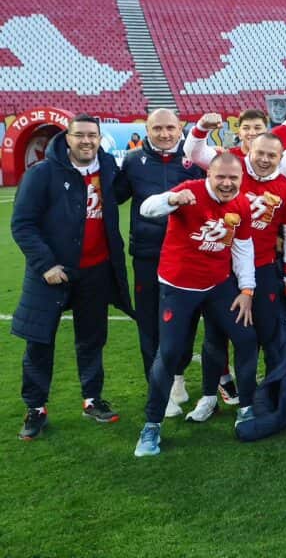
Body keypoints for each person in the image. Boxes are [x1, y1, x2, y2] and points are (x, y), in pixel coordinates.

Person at [13, 115, 133, 439]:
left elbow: (124, 192)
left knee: (92, 339)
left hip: (96, 271)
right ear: (67, 138)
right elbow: (23, 224)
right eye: (79, 135)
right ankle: (36, 407)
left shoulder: (107, 168)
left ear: (99, 138)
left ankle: (92, 399)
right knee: (39, 341)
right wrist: (46, 265)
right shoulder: (42, 173)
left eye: (92, 135)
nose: (86, 141)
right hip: (51, 273)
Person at [133, 152, 257, 456]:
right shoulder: (191, 190)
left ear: (241, 178)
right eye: (221, 177)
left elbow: (243, 248)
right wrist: (171, 200)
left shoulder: (241, 203)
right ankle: (152, 426)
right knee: (171, 352)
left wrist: (247, 290)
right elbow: (148, 209)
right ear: (209, 176)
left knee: (245, 338)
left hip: (217, 285)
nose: (227, 183)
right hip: (178, 285)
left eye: (233, 178)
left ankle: (247, 408)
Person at [183, 126, 286, 420]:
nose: (264, 159)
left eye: (271, 155)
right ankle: (209, 397)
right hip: (221, 269)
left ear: (280, 157)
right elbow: (195, 152)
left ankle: (267, 397)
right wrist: (201, 129)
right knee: (214, 335)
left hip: (262, 269)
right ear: (249, 149)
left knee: (263, 335)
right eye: (260, 152)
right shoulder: (232, 167)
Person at [114, 108, 207, 412]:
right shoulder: (131, 161)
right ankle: (159, 389)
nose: (165, 134)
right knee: (150, 322)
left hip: (188, 255)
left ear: (180, 127)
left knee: (187, 320)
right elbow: (114, 196)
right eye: (158, 129)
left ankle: (177, 376)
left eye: (170, 128)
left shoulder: (195, 159)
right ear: (147, 130)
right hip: (148, 255)